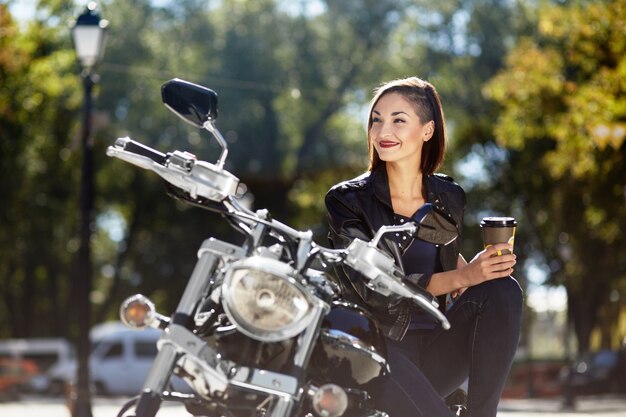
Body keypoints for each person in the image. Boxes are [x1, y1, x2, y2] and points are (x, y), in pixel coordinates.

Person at [325, 76, 523, 417]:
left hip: (435, 347)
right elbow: (372, 284)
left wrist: (474, 269)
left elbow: (438, 252)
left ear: (427, 131)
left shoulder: (449, 196)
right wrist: (465, 278)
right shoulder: (348, 200)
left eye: (398, 120)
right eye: (376, 119)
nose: (383, 130)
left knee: (504, 291)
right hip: (379, 349)